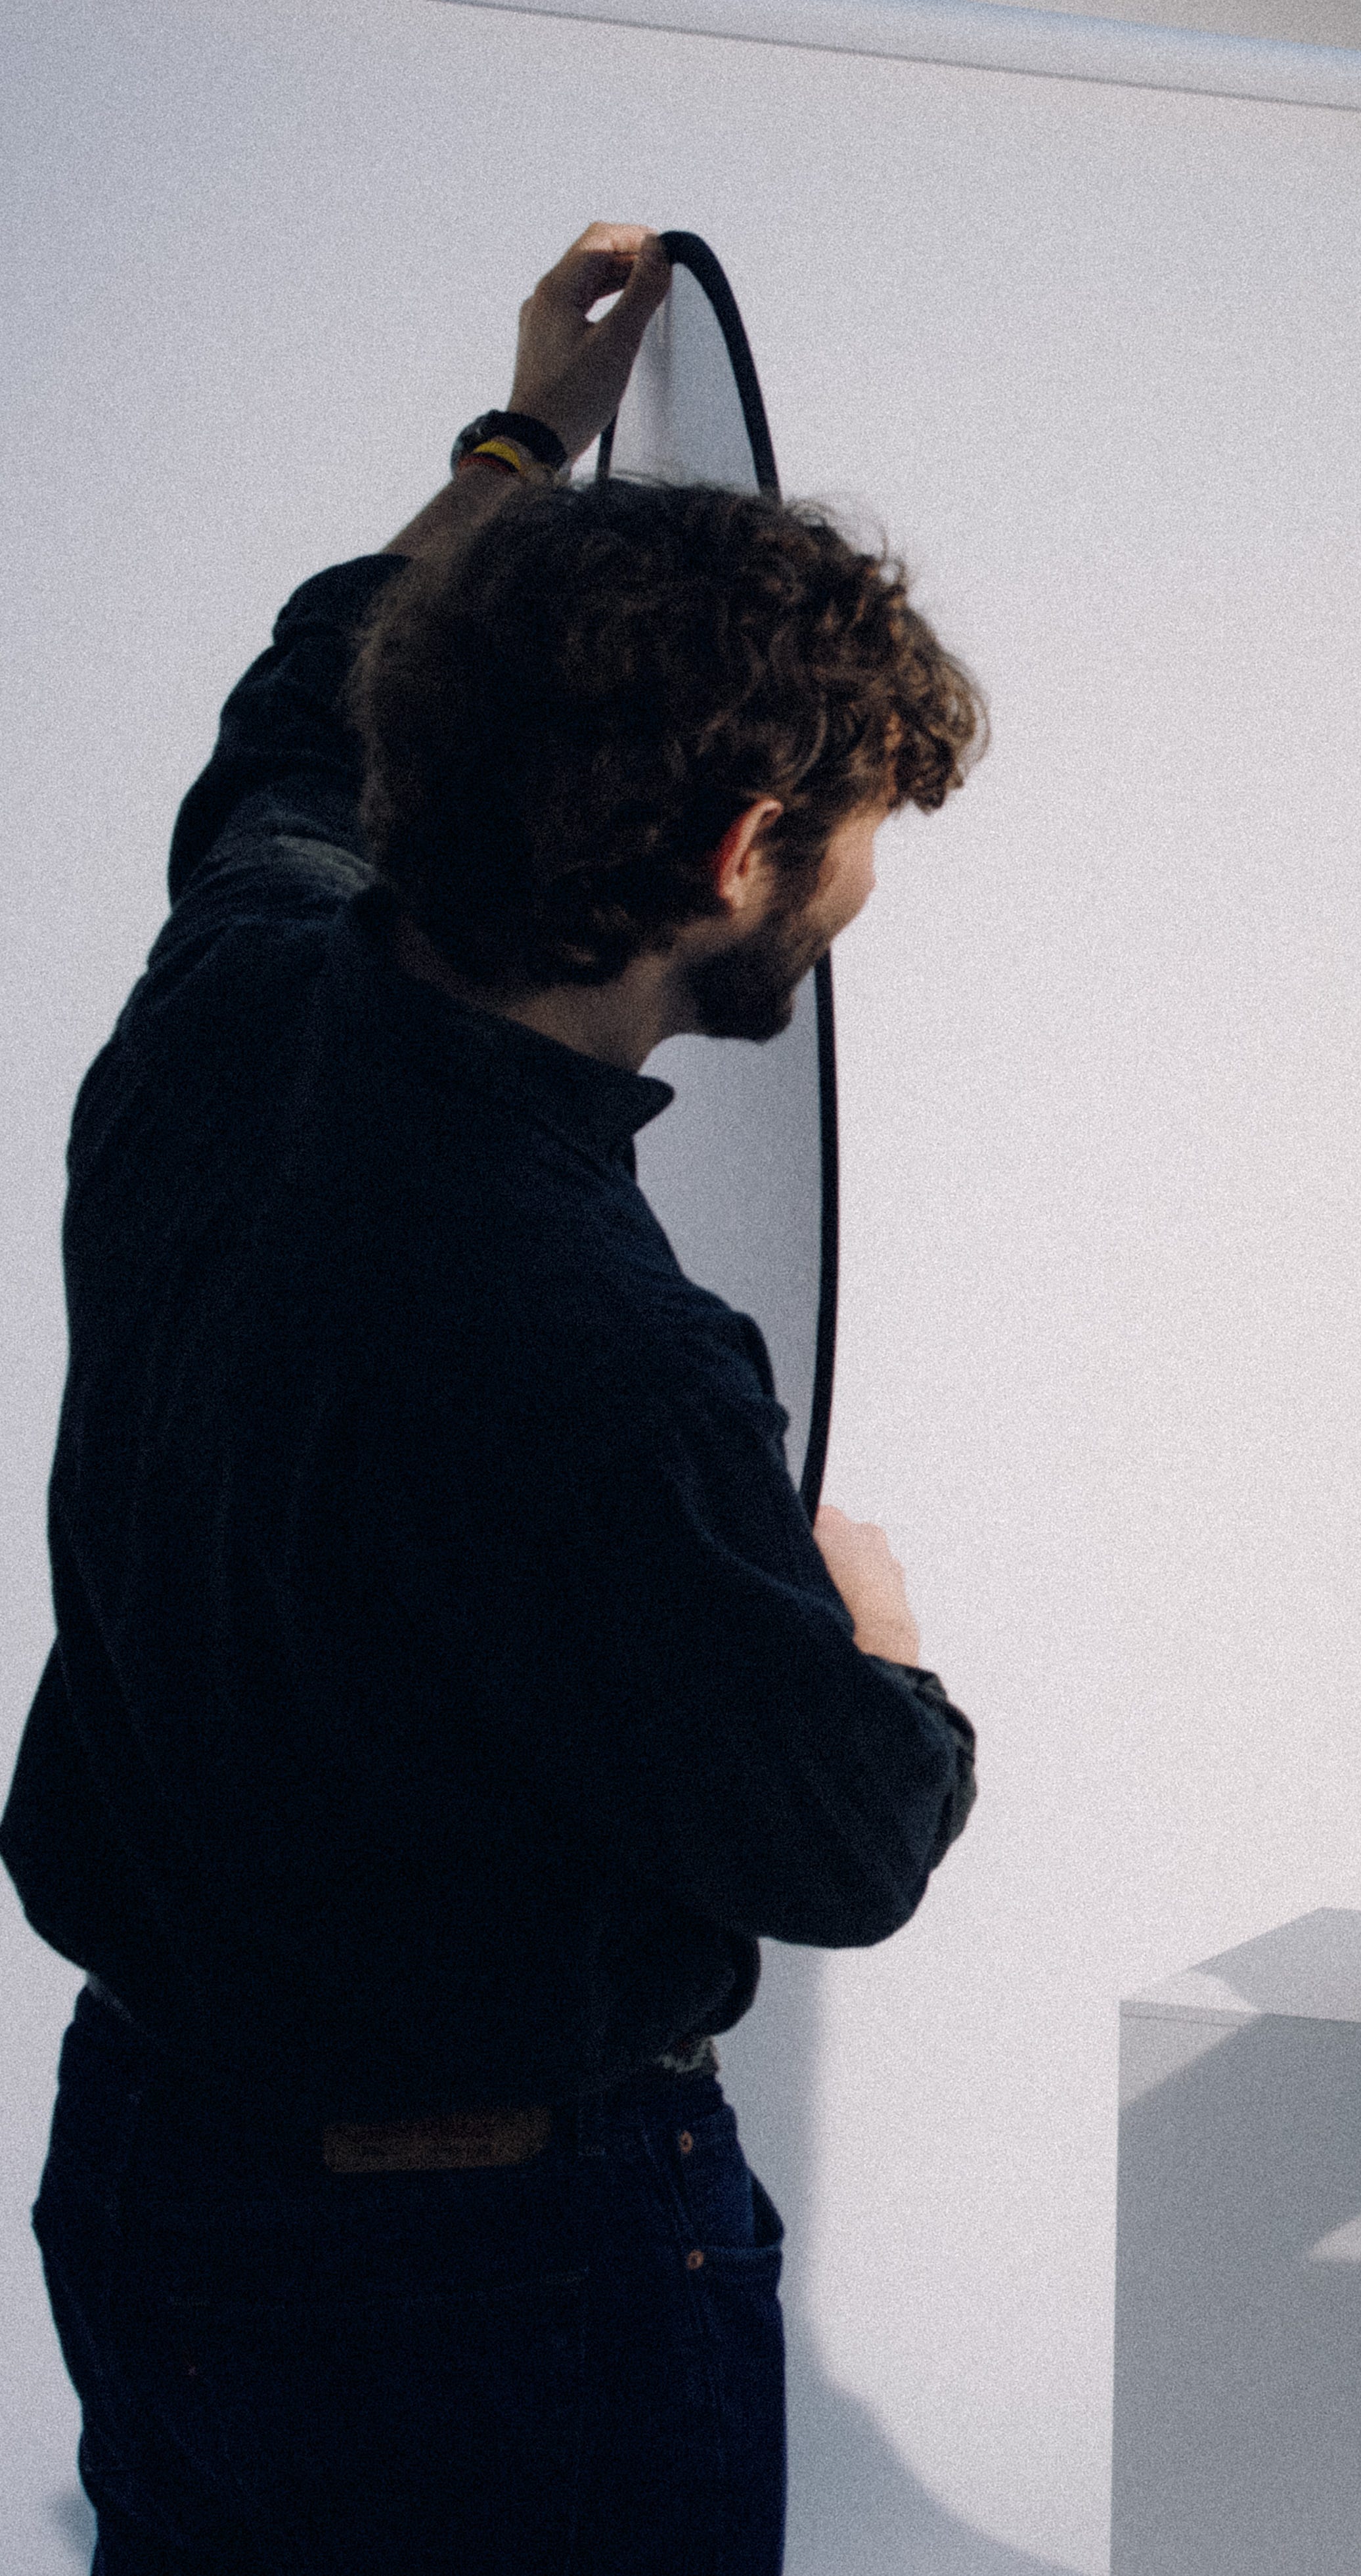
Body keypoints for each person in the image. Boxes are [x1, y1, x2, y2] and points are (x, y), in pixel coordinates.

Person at [9, 225, 988, 2571]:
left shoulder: (228, 992)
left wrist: (520, 436)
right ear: (738, 852)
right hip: (484, 2284)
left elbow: (306, 694)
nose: (864, 884)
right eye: (860, 830)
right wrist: (876, 1647)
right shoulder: (597, 1352)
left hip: (156, 2174)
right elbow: (845, 1840)